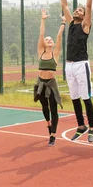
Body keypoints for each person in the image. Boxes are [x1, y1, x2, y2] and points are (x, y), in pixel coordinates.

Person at [57, 0, 93, 142]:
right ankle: (81, 125)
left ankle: (92, 129)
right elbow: (64, 5)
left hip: (82, 64)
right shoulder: (72, 23)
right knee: (74, 96)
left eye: (79, 10)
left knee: (85, 96)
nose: (77, 11)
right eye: (77, 10)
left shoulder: (85, 26)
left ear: (84, 15)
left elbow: (88, 6)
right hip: (69, 65)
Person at [33, 9, 66, 146]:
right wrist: (43, 19)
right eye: (47, 40)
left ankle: (53, 135)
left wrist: (63, 22)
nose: (49, 40)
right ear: (44, 44)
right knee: (44, 108)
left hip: (51, 84)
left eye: (50, 39)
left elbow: (59, 37)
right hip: (40, 83)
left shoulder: (55, 53)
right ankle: (48, 123)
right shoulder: (40, 52)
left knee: (54, 109)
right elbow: (41, 34)